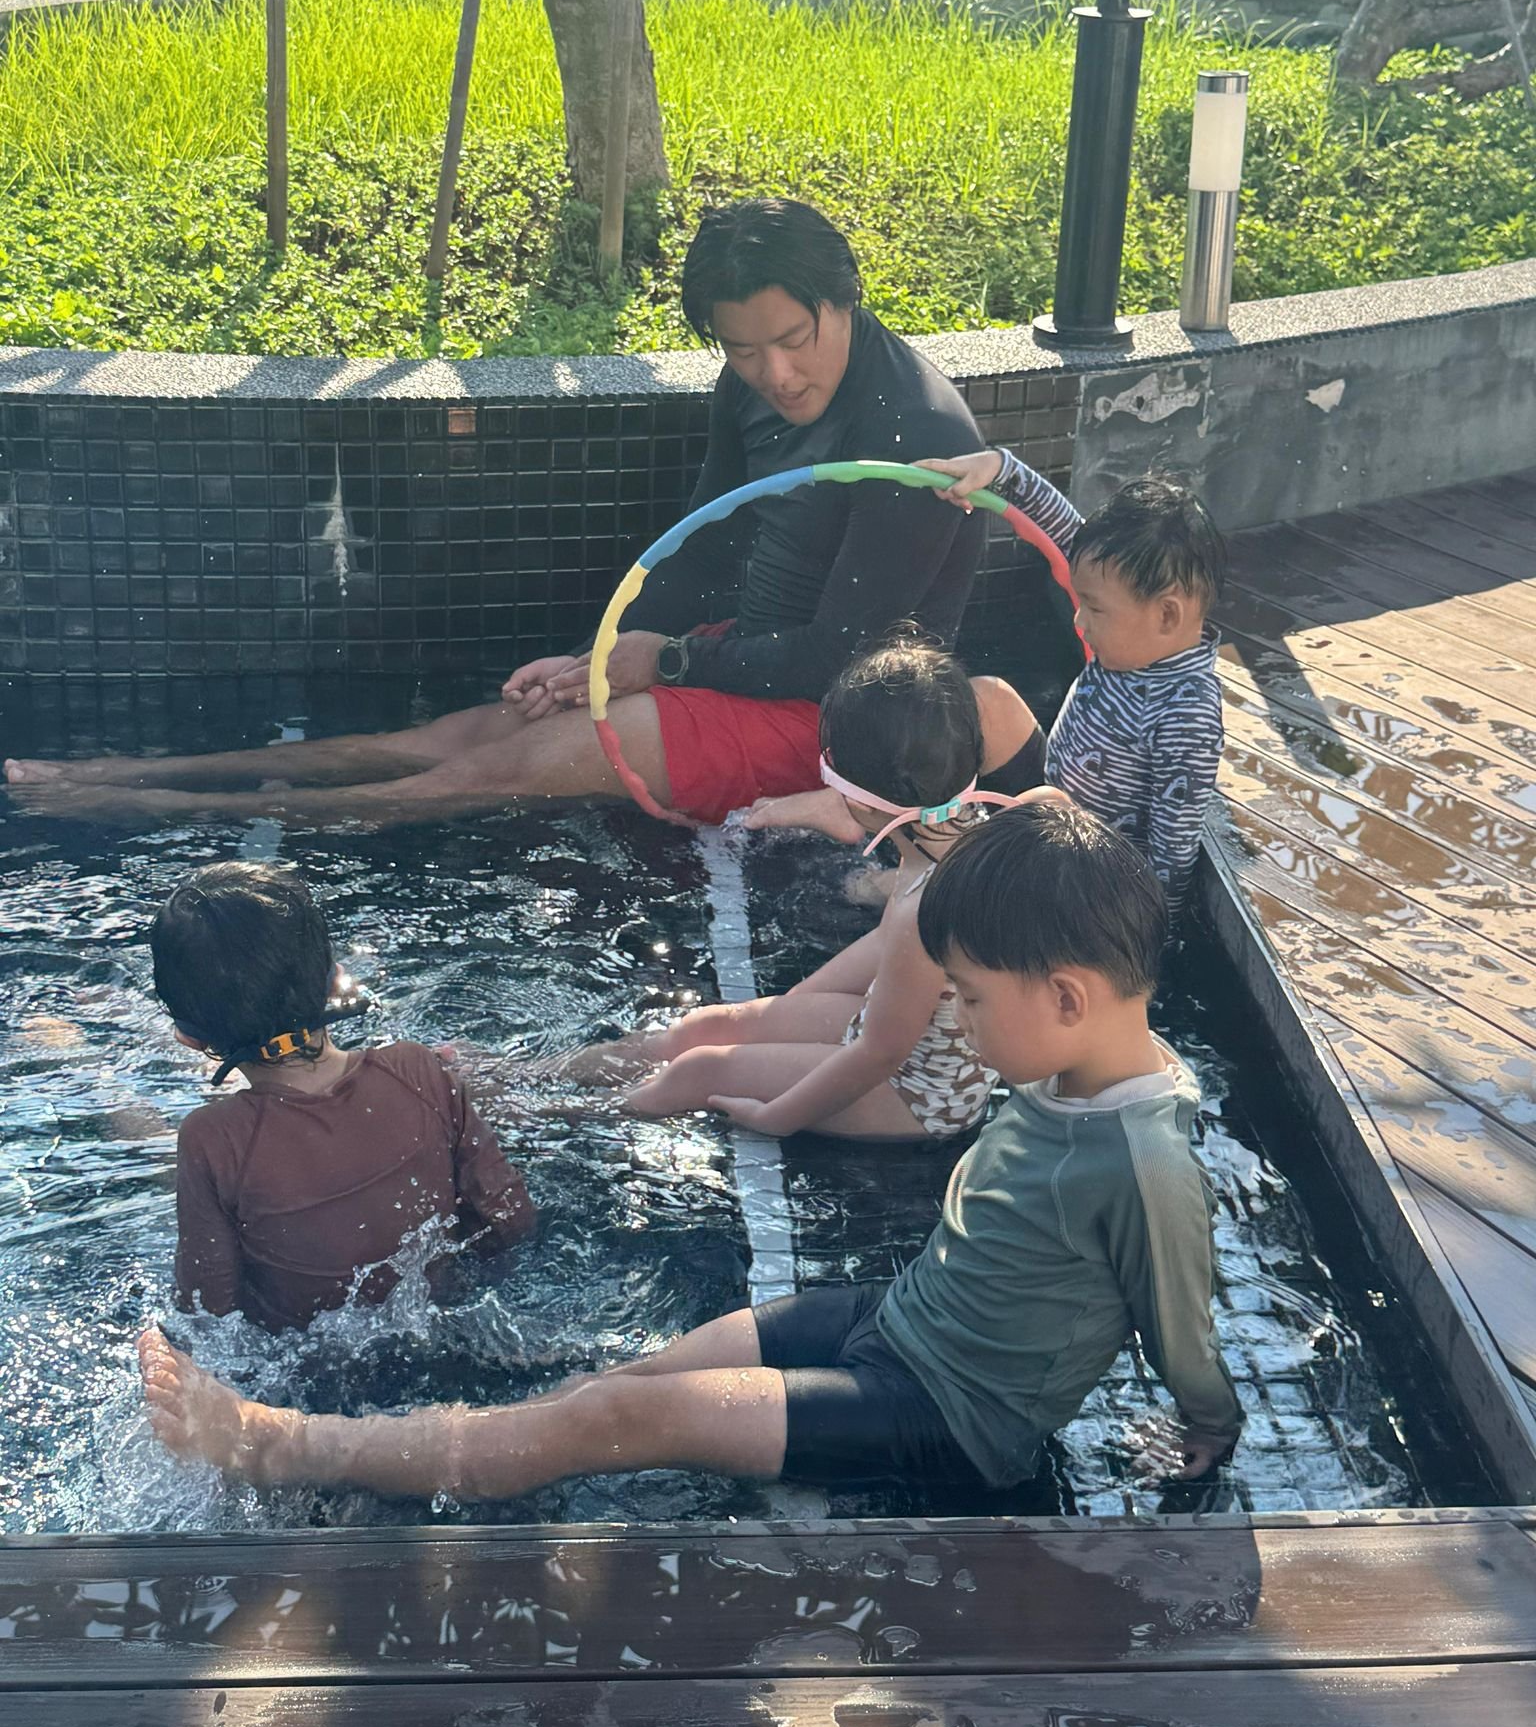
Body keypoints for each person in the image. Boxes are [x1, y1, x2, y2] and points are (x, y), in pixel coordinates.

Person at [137, 802, 1244, 1498]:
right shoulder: (1073, 1046)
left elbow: (1184, 1324)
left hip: (950, 1412)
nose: (957, 1014)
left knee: (617, 1416)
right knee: (615, 1380)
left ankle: (281, 1443)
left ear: (1063, 995)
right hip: (897, 1318)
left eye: (970, 998)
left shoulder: (1144, 1158)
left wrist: (1205, 1429)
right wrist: (1026, 824)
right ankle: (480, 1441)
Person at [6, 200, 1009, 829]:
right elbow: (701, 543)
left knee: (495, 772)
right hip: (732, 649)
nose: (773, 374)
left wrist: (661, 663)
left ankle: (129, 806)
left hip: (836, 718)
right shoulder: (746, 382)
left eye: (793, 340)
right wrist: (597, 652)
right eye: (743, 350)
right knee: (468, 729)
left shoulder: (914, 436)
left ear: (849, 298)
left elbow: (843, 655)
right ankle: (142, 768)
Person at [567, 636, 1038, 1140]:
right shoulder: (959, 826)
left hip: (919, 1098)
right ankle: (536, 1073)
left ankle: (541, 1115)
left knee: (699, 1070)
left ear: (859, 795)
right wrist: (791, 1008)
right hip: (901, 1041)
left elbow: (879, 1054)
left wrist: (778, 1116)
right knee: (703, 1028)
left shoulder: (924, 912)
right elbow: (885, 955)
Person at [749, 452, 1225, 911]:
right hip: (1050, 798)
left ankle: (913, 873)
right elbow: (1056, 530)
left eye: (1094, 609)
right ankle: (860, 803)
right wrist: (999, 469)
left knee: (942, 871)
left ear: (1167, 615)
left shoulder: (1189, 714)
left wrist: (1132, 938)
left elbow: (1171, 856)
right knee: (985, 698)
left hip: (1080, 868)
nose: (1079, 620)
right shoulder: (1141, 638)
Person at [153, 861, 534, 1333]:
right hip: (443, 1322)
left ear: (189, 1037)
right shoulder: (417, 1069)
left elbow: (206, 1313)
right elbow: (509, 1218)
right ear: (336, 980)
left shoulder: (212, 1139)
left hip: (308, 1368)